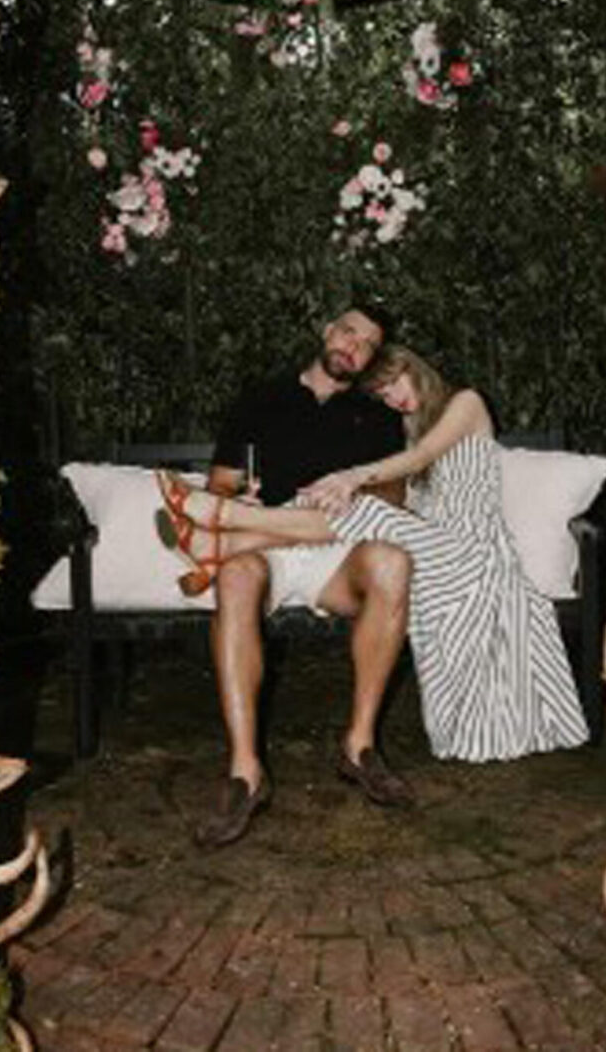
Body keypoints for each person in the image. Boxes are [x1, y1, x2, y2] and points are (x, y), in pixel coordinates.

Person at [160, 344, 589, 765]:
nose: (393, 398)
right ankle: (223, 543)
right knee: (353, 509)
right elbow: (414, 494)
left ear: (412, 368)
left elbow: (420, 458)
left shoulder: (466, 403)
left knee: (362, 508)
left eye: (393, 383)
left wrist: (352, 477)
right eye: (382, 395)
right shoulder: (412, 427)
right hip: (438, 547)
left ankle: (225, 529)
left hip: (474, 550)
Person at [171, 301, 414, 848]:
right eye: (349, 332)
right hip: (267, 554)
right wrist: (241, 498)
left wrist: (353, 488)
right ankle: (245, 773)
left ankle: (359, 746)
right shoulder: (261, 399)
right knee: (235, 577)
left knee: (392, 561)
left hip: (337, 550)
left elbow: (391, 501)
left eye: (367, 345)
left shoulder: (377, 415)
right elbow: (221, 486)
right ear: (328, 331)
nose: (354, 347)